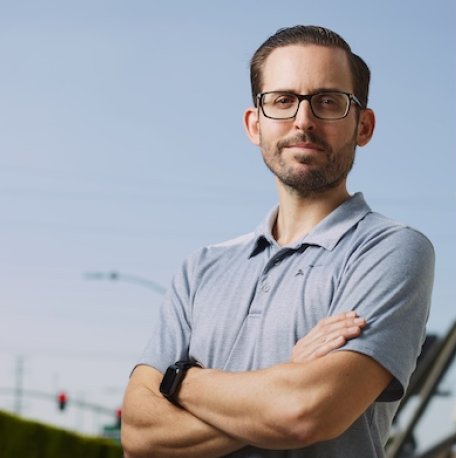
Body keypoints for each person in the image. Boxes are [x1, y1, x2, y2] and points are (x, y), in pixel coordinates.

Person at [120, 25, 435, 458]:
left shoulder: (391, 250)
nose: (303, 121)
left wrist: (179, 380)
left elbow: (304, 414)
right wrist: (285, 378)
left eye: (328, 102)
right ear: (255, 124)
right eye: (282, 101)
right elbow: (138, 434)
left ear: (364, 125)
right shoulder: (201, 268)